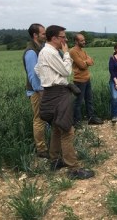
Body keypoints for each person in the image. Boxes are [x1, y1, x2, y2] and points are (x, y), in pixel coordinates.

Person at [35, 25, 94, 180]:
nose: (65, 39)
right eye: (63, 36)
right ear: (54, 38)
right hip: (58, 93)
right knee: (67, 131)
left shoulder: (44, 52)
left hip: (50, 92)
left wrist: (48, 77)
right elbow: (67, 71)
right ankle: (73, 168)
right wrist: (67, 54)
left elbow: (37, 69)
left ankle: (55, 160)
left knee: (56, 127)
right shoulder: (50, 52)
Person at [22, 23, 49, 158]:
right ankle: (41, 149)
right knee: (39, 119)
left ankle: (47, 143)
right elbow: (33, 75)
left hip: (43, 90)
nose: (45, 35)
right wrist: (41, 91)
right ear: (35, 35)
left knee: (46, 118)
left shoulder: (42, 48)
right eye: (43, 33)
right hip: (37, 92)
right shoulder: (31, 52)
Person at [70, 33, 103, 128]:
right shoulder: (73, 51)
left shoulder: (82, 51)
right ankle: (77, 122)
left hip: (87, 78)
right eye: (82, 40)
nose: (84, 42)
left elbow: (91, 61)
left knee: (89, 100)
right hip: (79, 80)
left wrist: (86, 62)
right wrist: (85, 62)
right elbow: (82, 65)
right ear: (76, 41)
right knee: (78, 102)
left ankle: (91, 118)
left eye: (84, 40)